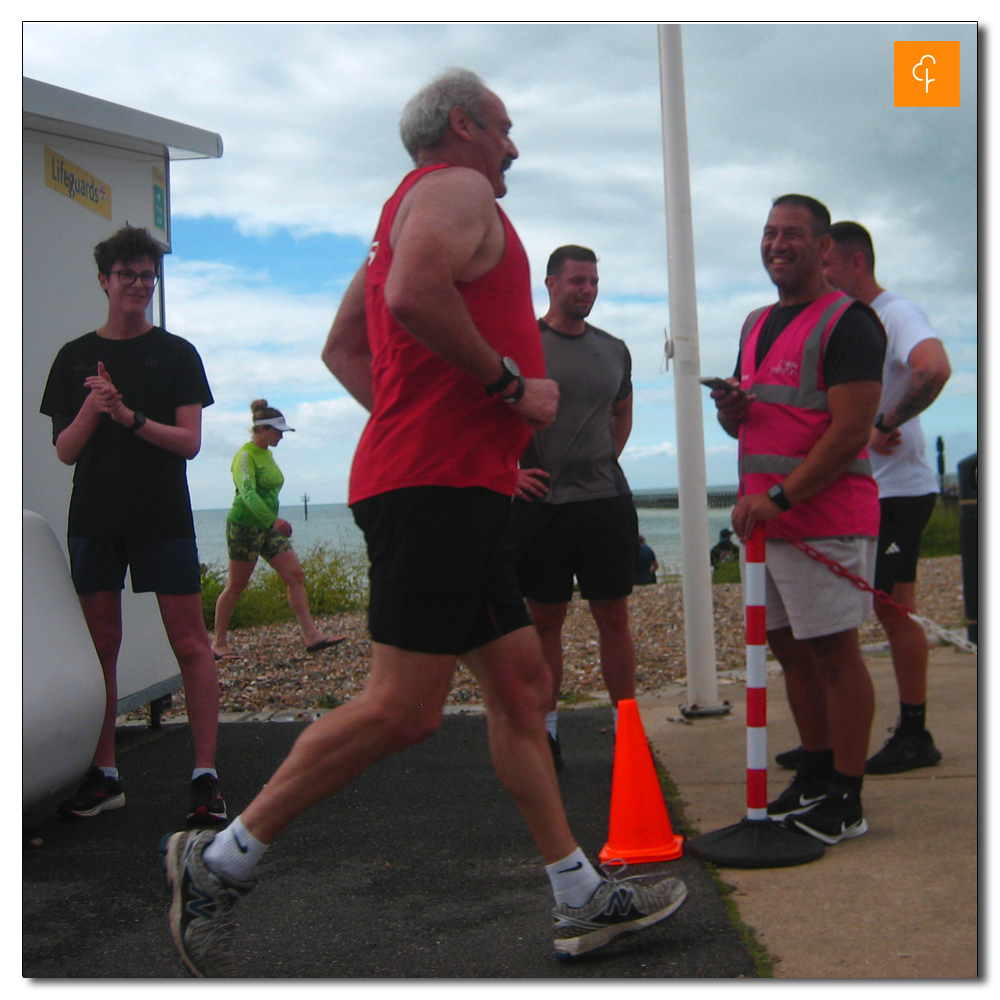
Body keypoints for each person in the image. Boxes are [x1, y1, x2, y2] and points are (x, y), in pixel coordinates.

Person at [159, 69, 686, 978]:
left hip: (448, 482)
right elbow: (409, 296)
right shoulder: (457, 188)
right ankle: (216, 863)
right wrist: (509, 390)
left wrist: (429, 420)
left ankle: (579, 896)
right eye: (507, 128)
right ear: (465, 124)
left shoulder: (398, 210)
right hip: (436, 490)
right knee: (404, 710)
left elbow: (345, 346)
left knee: (521, 685)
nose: (515, 146)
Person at [711, 194, 886, 845]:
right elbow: (757, 412)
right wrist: (732, 411)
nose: (776, 244)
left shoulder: (851, 323)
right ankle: (814, 771)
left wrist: (782, 497)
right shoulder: (756, 322)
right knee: (789, 650)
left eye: (792, 235)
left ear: (823, 250)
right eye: (768, 233)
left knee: (836, 654)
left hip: (823, 522)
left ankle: (847, 795)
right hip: (769, 526)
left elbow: (849, 434)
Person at [39, 225, 225, 826]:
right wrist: (95, 410)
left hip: (161, 515)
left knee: (192, 645)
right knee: (102, 648)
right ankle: (106, 774)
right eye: (128, 275)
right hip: (94, 516)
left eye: (148, 276)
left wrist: (127, 413)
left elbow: (190, 443)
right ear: (104, 281)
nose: (140, 285)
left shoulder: (176, 354)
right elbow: (65, 450)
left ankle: (205, 777)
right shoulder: (73, 358)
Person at [821, 221, 951, 773]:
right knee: (848, 610)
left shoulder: (894, 313)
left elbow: (935, 367)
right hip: (864, 490)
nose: (820, 275)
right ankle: (828, 740)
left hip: (899, 490)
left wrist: (885, 422)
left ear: (855, 263)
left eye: (827, 264)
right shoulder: (846, 322)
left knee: (894, 611)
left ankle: (916, 735)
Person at [510, 244, 639, 770]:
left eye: (592, 282)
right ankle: (548, 733)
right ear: (551, 284)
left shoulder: (613, 348)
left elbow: (622, 412)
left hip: (606, 501)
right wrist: (508, 474)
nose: (586, 290)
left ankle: (625, 729)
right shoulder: (522, 345)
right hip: (543, 505)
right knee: (546, 619)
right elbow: (486, 415)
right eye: (576, 281)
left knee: (614, 614)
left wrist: (602, 461)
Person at [211, 399, 344, 659]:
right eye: (278, 431)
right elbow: (247, 494)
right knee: (237, 585)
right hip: (245, 526)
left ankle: (311, 636)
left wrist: (272, 521)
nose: (282, 436)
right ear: (261, 429)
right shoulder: (245, 456)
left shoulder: (267, 455)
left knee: (294, 575)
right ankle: (218, 643)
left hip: (268, 525)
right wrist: (273, 521)